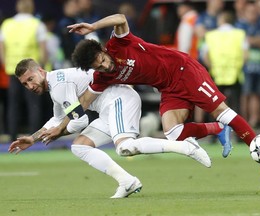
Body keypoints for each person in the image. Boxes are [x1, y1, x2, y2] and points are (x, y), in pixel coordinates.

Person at [66, 13, 260, 182]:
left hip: (184, 70)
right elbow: (83, 101)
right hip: (168, 87)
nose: (104, 65)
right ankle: (220, 130)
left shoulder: (119, 44)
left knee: (223, 112)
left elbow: (120, 18)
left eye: (102, 60)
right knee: (174, 133)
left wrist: (94, 26)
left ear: (103, 50)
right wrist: (58, 127)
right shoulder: (102, 77)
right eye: (98, 66)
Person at [8, 58, 212, 198]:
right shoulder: (56, 84)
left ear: (41, 71)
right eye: (25, 84)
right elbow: (58, 118)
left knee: (125, 147)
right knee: (80, 146)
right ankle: (127, 182)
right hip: (107, 108)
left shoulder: (59, 85)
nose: (30, 86)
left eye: (31, 79)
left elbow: (79, 121)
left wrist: (59, 132)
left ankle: (186, 146)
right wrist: (33, 139)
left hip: (119, 100)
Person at [0, 0, 48, 141]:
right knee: (33, 105)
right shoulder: (37, 24)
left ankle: (12, 136)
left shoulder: (7, 25)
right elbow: (43, 49)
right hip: (32, 72)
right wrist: (41, 69)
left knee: (13, 106)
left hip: (12, 71)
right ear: (32, 8)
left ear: (17, 7)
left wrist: (6, 64)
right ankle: (34, 137)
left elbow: (1, 48)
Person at [203, 11, 247, 122]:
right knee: (236, 104)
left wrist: (212, 67)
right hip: (235, 74)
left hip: (216, 74)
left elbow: (205, 55)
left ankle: (213, 132)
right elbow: (246, 54)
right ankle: (239, 133)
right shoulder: (240, 34)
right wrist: (239, 66)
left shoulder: (211, 35)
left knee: (214, 104)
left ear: (221, 20)